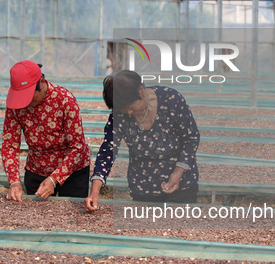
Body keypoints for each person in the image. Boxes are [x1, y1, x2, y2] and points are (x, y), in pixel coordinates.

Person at [85, 70, 200, 212]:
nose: (128, 113)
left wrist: (177, 173)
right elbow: (108, 151)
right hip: (142, 185)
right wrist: (95, 191)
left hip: (181, 183)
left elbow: (191, 137)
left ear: (141, 91)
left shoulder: (171, 100)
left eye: (131, 107)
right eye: (123, 109)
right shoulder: (119, 115)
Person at [2, 60, 90, 202]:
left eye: (29, 96)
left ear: (42, 82)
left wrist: (54, 178)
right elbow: (9, 145)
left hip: (72, 172)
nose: (27, 102)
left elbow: (77, 146)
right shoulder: (15, 106)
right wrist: (14, 181)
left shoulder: (65, 100)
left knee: (71, 218)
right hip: (36, 170)